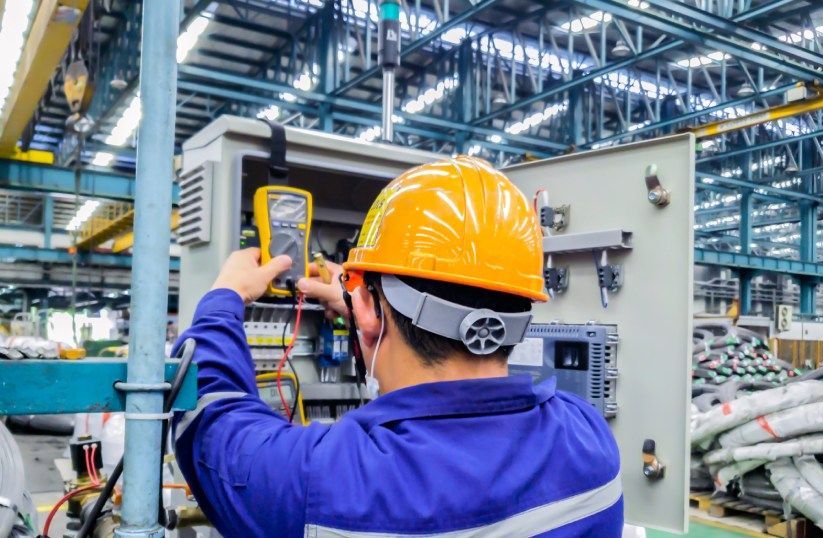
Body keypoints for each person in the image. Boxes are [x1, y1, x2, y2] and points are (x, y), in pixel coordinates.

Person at [172, 156, 623, 537]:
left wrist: (225, 295)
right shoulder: (589, 438)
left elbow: (210, 419)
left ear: (368, 308)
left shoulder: (321, 482)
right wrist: (367, 307)